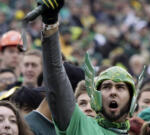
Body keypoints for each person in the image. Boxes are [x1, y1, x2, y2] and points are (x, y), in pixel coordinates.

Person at [38, 0, 136, 134]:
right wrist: (50, 24)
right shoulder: (79, 124)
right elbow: (56, 80)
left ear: (132, 100)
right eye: (106, 87)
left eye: (120, 87)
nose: (113, 92)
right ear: (96, 98)